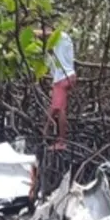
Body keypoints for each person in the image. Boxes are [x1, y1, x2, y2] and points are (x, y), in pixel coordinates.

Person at [35, 21, 76, 150]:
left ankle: (61, 142)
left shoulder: (62, 36)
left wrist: (27, 33)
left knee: (60, 109)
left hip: (64, 78)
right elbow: (47, 67)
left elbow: (46, 34)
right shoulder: (53, 49)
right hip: (66, 77)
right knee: (56, 107)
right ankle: (45, 133)